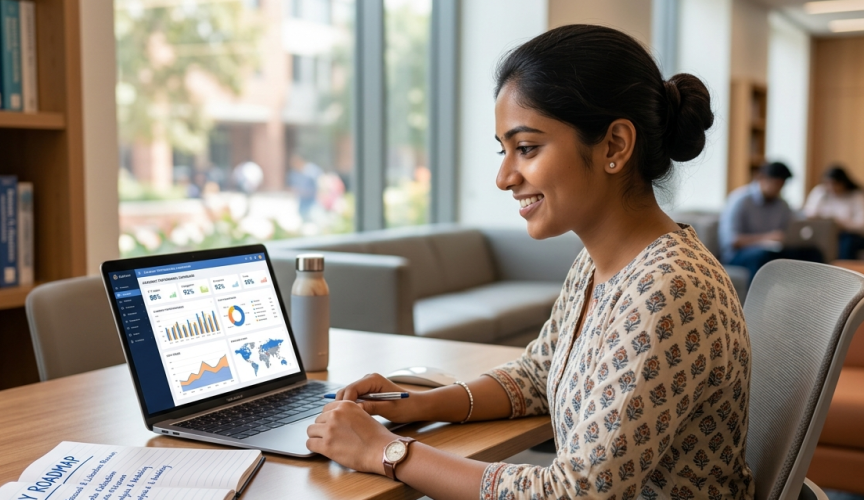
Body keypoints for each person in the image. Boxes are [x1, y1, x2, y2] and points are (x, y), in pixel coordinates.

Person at [306, 25, 754, 500]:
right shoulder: (600, 263)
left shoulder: (668, 288)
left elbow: (575, 494)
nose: (504, 177)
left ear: (615, 146)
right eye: (504, 150)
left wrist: (388, 452)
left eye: (527, 148)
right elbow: (540, 375)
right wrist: (420, 402)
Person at [719, 162, 823, 279]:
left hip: (773, 251)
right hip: (739, 255)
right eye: (776, 184)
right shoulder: (740, 200)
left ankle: (813, 295)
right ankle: (757, 297)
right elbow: (732, 241)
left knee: (813, 253)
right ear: (762, 178)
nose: (778, 189)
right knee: (763, 256)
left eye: (782, 185)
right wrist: (766, 238)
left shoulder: (782, 205)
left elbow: (792, 229)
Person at [804, 166, 864, 260]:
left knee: (847, 243)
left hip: (847, 234)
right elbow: (809, 214)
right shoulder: (820, 192)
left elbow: (861, 224)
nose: (831, 187)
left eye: (835, 184)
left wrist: (842, 224)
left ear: (843, 183)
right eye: (828, 184)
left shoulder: (856, 196)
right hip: (822, 232)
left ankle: (843, 270)